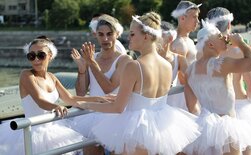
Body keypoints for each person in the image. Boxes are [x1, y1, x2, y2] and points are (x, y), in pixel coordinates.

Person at [69, 12, 200, 155]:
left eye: (132, 34)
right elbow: (146, 97)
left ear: (146, 36)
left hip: (137, 131)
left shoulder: (134, 66)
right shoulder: (167, 65)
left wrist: (84, 104)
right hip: (160, 129)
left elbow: (118, 108)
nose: (128, 38)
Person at [0, 36, 107, 155]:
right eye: (31, 56)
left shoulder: (52, 77)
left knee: (91, 147)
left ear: (50, 56)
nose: (36, 60)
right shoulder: (26, 75)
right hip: (33, 132)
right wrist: (55, 107)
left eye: (41, 55)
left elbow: (70, 99)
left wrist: (100, 98)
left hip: (53, 127)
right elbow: (39, 100)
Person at [184, 20, 251, 155]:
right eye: (220, 37)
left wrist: (204, 123)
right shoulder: (220, 64)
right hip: (227, 127)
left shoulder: (190, 70)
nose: (225, 38)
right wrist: (241, 43)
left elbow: (191, 106)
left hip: (204, 128)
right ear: (210, 44)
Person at [206, 7, 251, 154]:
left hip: (215, 112)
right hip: (241, 108)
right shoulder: (238, 52)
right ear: (229, 25)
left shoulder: (205, 53)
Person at [71, 14, 132, 154]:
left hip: (116, 116)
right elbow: (80, 93)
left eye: (109, 34)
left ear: (117, 34)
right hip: (92, 115)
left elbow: (108, 88)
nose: (105, 39)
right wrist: (81, 69)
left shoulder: (125, 59)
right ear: (96, 35)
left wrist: (91, 63)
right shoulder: (91, 58)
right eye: (101, 34)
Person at [159, 21, 189, 110]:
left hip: (169, 106)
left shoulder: (179, 59)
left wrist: (172, 90)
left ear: (170, 39)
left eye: (159, 36)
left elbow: (192, 82)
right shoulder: (147, 58)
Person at [171, 1, 200, 65]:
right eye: (194, 17)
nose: (197, 21)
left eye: (197, 17)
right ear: (182, 18)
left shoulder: (189, 41)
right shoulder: (175, 41)